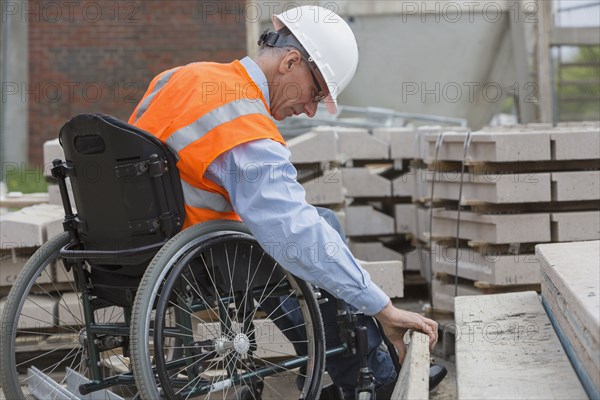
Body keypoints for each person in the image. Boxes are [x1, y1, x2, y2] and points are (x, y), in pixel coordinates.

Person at [129, 5, 445, 398]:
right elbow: (292, 229)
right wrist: (383, 307)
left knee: (306, 228)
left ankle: (328, 361)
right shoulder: (242, 121)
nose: (311, 110)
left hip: (134, 245)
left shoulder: (179, 77)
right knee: (314, 233)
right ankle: (373, 378)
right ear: (291, 62)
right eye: (315, 93)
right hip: (196, 262)